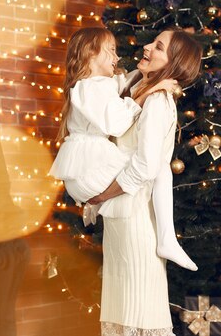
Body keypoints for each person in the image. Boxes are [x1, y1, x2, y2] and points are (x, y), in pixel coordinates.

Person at [49, 27, 197, 271]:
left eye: (158, 46)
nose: (117, 58)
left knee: (155, 165)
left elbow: (127, 80)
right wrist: (150, 90)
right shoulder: (93, 87)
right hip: (89, 171)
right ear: (90, 55)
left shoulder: (101, 84)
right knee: (157, 165)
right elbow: (118, 123)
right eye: (111, 51)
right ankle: (167, 238)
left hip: (89, 171)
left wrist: (155, 83)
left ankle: (167, 238)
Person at [86, 28, 202, 336]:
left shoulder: (159, 103)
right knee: (123, 313)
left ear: (173, 64)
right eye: (153, 41)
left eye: (159, 47)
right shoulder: (140, 91)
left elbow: (145, 167)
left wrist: (100, 196)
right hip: (121, 219)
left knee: (141, 314)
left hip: (137, 220)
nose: (147, 46)